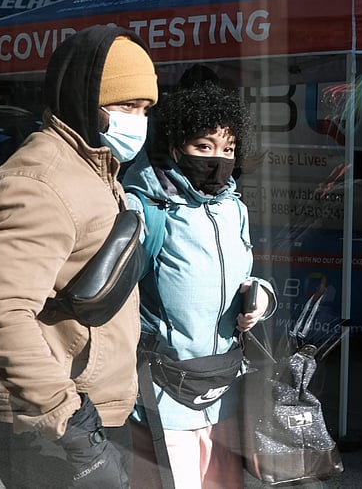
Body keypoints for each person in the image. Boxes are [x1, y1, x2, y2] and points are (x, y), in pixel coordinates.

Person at [0, 25, 158, 488]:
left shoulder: (95, 168)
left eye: (145, 108)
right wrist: (73, 426)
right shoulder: (38, 182)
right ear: (85, 98)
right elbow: (1, 318)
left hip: (89, 408)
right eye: (126, 105)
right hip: (52, 421)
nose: (138, 120)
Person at [122, 81, 276, 488]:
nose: (217, 159)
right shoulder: (144, 207)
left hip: (226, 387)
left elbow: (244, 277)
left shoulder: (234, 208)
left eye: (228, 149)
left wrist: (261, 297)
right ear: (176, 148)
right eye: (204, 146)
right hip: (166, 390)